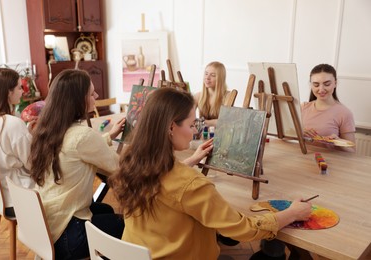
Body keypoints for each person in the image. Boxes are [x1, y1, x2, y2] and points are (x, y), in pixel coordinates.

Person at [111, 87, 312, 260]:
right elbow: (245, 229)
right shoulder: (191, 185)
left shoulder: (133, 162)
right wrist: (293, 213)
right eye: (191, 125)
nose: (194, 132)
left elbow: (169, 183)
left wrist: (190, 161)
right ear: (171, 127)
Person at [29, 69, 125, 259]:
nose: (96, 96)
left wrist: (108, 136)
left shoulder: (49, 130)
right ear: (77, 100)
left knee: (104, 209)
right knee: (125, 225)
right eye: (91, 93)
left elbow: (76, 149)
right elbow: (119, 167)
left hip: (47, 226)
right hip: (67, 236)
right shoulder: (83, 136)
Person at [0, 67, 35, 217]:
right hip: (20, 198)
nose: (23, 91)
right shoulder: (11, 124)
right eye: (19, 87)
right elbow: (33, 165)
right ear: (8, 92)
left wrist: (26, 134)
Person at [302, 63, 356, 152]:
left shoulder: (344, 113)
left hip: (329, 164)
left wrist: (338, 142)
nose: (321, 89)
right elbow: (287, 137)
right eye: (316, 85)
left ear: (335, 83)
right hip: (304, 160)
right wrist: (299, 133)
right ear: (311, 85)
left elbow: (352, 151)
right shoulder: (303, 108)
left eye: (327, 84)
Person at [194, 61, 232, 127]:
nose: (207, 78)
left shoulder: (228, 96)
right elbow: (188, 118)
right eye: (206, 74)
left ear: (220, 78)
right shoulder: (198, 96)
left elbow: (225, 121)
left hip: (220, 135)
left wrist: (203, 122)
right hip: (203, 135)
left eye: (213, 75)